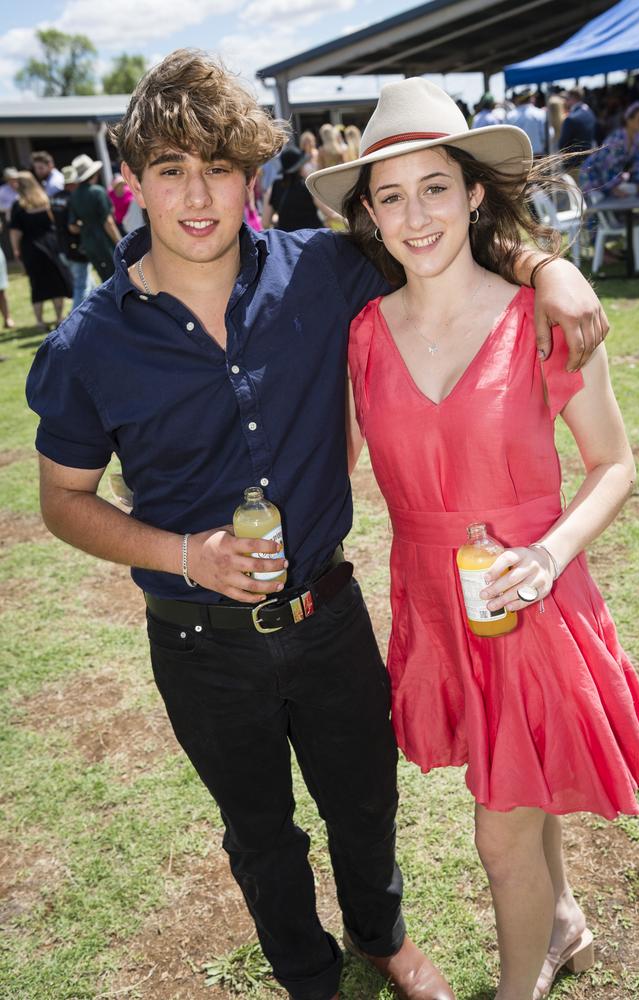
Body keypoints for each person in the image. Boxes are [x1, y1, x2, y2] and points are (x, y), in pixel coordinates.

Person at [25, 49, 609, 1000]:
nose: (198, 195)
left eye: (218, 166)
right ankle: (308, 974)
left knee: (365, 803)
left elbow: (440, 232)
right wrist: (185, 553)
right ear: (134, 182)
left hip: (330, 615)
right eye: (170, 169)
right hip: (198, 640)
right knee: (260, 832)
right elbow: (63, 499)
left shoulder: (323, 271)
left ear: (251, 178)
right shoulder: (90, 341)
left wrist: (549, 266)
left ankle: (383, 938)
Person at [307, 77, 639, 1000]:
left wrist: (548, 556)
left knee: (499, 832)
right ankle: (566, 920)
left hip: (536, 600)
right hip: (435, 601)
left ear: (471, 194)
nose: (416, 215)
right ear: (370, 218)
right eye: (391, 196)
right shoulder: (361, 338)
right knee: (516, 779)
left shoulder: (542, 314)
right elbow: (324, 462)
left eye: (434, 187)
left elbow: (615, 466)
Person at [9, 171, 71, 330]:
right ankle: (59, 318)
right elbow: (53, 223)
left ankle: (39, 321)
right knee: (56, 282)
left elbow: (15, 232)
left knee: (37, 285)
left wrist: (15, 250)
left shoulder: (18, 206)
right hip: (51, 245)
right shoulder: (45, 200)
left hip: (31, 247)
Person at [579, 101, 639, 200]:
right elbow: (605, 168)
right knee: (599, 210)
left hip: (608, 178)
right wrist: (613, 189)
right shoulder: (617, 140)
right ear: (629, 120)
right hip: (591, 177)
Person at [69, 154, 122, 282]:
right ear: (94, 173)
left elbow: (72, 227)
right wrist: (120, 242)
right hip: (104, 240)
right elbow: (108, 221)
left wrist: (86, 223)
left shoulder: (74, 195)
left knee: (105, 280)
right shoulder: (97, 191)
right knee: (118, 276)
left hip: (87, 241)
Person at [50, 164, 94, 311]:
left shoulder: (54, 198)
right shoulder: (73, 198)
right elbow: (73, 226)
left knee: (88, 282)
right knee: (82, 285)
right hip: (76, 248)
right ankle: (74, 317)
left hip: (61, 247)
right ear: (74, 182)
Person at [262, 144, 322, 231]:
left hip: (287, 240)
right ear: (299, 167)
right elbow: (329, 213)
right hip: (311, 238)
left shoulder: (275, 186)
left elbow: (265, 223)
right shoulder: (307, 186)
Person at [558, 88, 596, 172]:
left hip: (573, 165)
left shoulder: (570, 119)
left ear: (572, 98)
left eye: (567, 98)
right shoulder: (591, 114)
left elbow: (562, 145)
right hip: (589, 162)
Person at [507, 90, 546, 156]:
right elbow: (547, 135)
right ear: (531, 99)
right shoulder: (540, 113)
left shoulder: (510, 115)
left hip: (517, 155)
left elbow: (507, 137)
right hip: (537, 154)